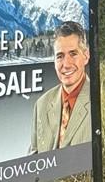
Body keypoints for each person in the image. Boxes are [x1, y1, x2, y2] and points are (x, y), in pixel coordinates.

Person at [29, 21, 92, 153]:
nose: (66, 64)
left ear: (86, 56)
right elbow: (33, 158)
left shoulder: (97, 101)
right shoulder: (41, 105)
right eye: (60, 56)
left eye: (73, 54)